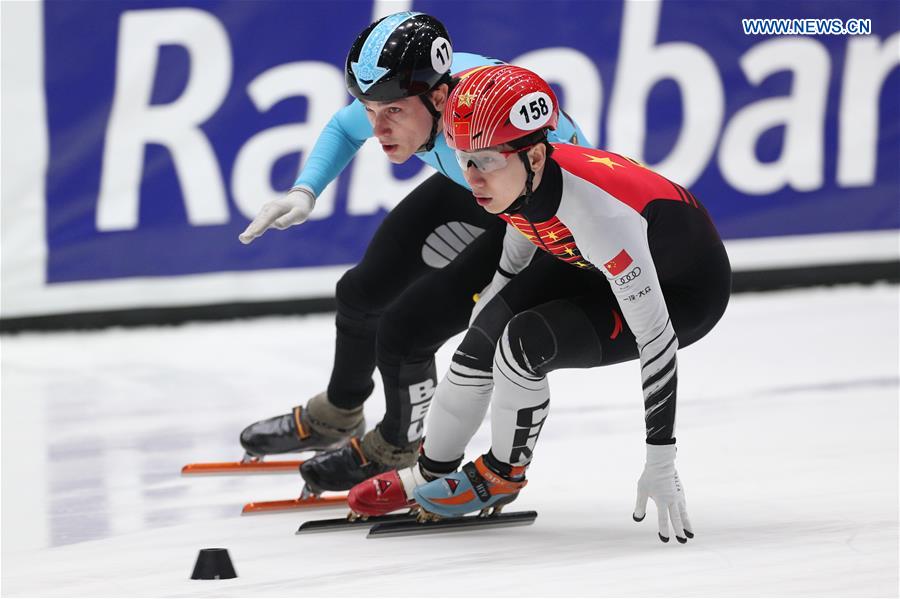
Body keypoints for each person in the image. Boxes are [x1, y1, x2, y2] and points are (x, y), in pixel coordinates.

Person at [346, 65, 731, 544]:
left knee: (523, 343)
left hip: (683, 293)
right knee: (481, 338)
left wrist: (661, 461)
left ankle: (501, 474)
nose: (472, 178)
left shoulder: (598, 216)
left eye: (484, 161)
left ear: (532, 156)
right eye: (463, 160)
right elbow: (517, 243)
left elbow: (657, 340)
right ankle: (431, 471)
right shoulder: (520, 175)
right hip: (590, 262)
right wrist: (491, 302)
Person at [237, 13, 591, 493]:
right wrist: (305, 191)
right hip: (480, 185)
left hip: (542, 219)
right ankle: (340, 412)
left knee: (406, 329)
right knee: (361, 293)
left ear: (441, 98)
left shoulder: (491, 117)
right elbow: (344, 130)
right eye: (369, 109)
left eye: (393, 112)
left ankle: (399, 445)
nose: (379, 128)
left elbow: (568, 193)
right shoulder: (418, 100)